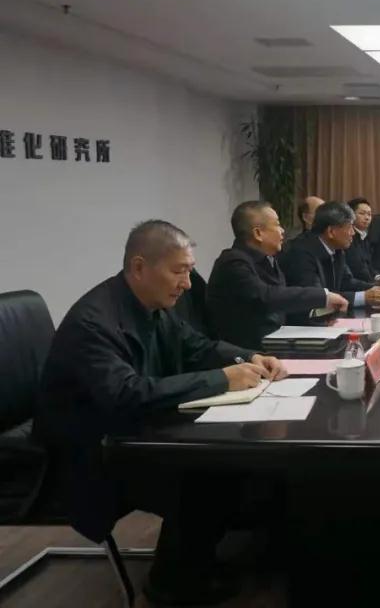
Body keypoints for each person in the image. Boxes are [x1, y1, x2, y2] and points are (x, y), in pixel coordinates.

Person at [34, 220, 288, 604]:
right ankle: (173, 582)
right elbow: (125, 393)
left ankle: (198, 558)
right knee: (208, 471)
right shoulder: (94, 323)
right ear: (139, 267)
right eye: (179, 271)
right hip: (88, 452)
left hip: (131, 431)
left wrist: (249, 357)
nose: (187, 283)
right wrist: (221, 379)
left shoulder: (151, 305)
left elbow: (196, 346)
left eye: (189, 270)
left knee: (236, 464)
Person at [207, 201, 349, 351]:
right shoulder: (233, 262)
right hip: (247, 353)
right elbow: (266, 297)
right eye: (277, 225)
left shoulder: (268, 259)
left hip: (275, 343)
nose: (282, 231)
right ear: (258, 233)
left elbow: (284, 304)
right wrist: (323, 296)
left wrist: (320, 321)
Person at [283, 202, 380, 310]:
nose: (353, 233)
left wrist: (379, 289)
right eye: (349, 227)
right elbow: (317, 297)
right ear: (331, 231)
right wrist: (363, 297)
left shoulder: (337, 248)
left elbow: (347, 282)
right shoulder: (301, 253)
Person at [345, 197, 380, 284]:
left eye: (369, 214)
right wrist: (372, 285)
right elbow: (357, 268)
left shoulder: (364, 236)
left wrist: (378, 277)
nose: (367, 218)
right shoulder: (347, 238)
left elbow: (369, 264)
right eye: (362, 213)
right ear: (350, 215)